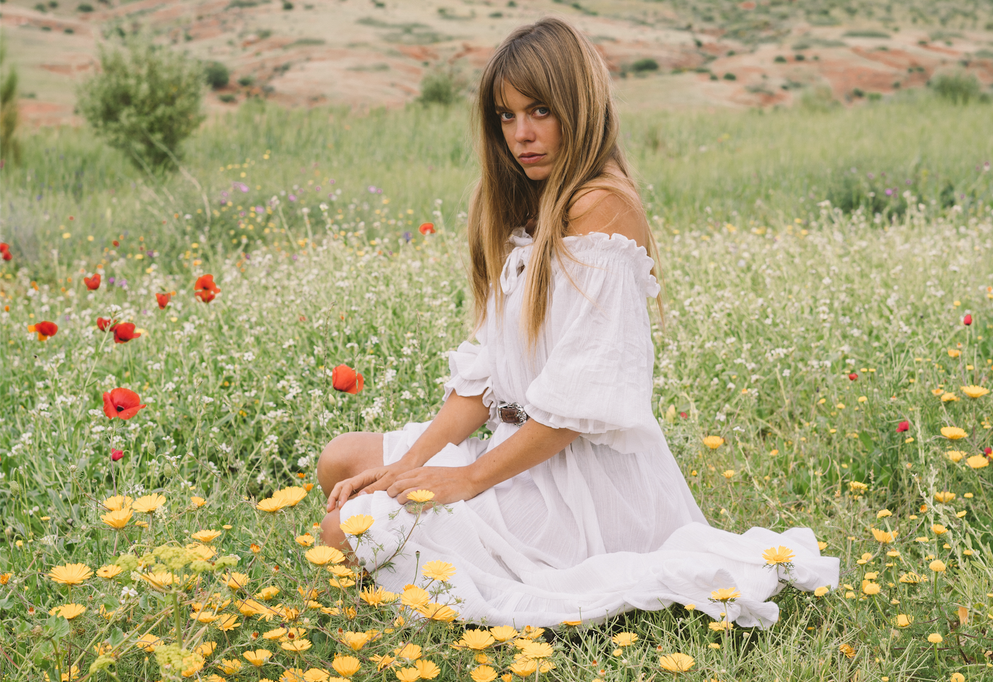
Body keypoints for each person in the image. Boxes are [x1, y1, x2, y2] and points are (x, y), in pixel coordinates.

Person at [317, 16, 838, 628]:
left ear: (579, 106)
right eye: (506, 116)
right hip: (516, 450)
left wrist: (468, 480)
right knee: (342, 460)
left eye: (539, 110)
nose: (521, 134)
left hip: (580, 485)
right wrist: (413, 468)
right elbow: (483, 378)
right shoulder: (524, 203)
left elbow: (580, 404)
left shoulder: (601, 208)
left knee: (343, 530)